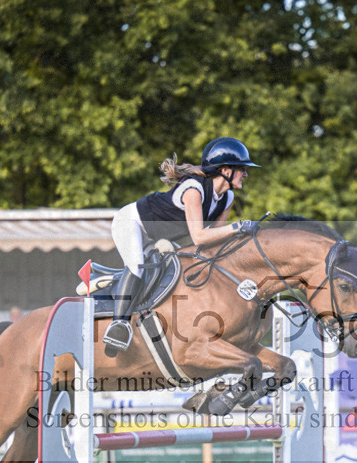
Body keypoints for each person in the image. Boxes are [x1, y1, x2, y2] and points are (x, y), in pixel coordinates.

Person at [102, 136, 262, 356]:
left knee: (170, 270)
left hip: (158, 236)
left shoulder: (227, 197)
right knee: (138, 267)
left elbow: (215, 242)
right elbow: (199, 237)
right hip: (132, 223)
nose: (246, 174)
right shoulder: (194, 189)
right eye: (242, 169)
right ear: (225, 170)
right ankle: (118, 325)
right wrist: (238, 227)